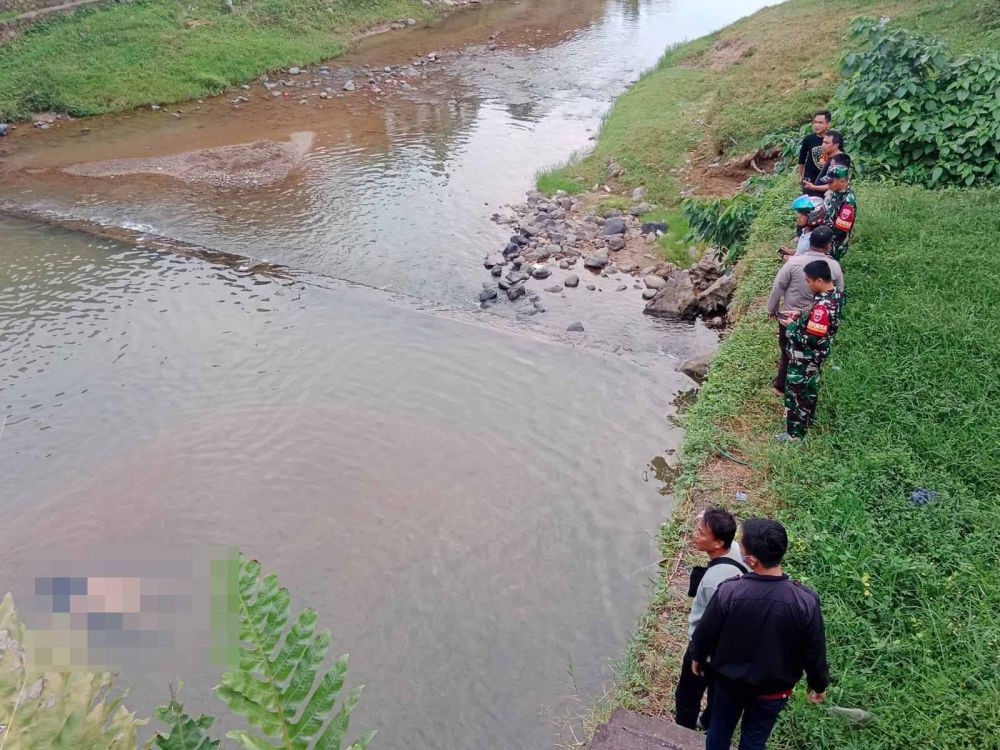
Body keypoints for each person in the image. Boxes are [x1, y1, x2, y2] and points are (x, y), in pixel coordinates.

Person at [689, 518, 829, 750]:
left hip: (729, 683)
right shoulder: (805, 601)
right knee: (755, 740)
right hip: (774, 690)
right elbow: (814, 651)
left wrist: (698, 656)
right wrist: (819, 683)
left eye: (741, 546)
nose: (739, 548)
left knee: (718, 731)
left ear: (751, 561)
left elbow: (706, 632)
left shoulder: (730, 591)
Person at [674, 507, 747, 731]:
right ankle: (706, 722)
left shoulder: (713, 582)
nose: (695, 535)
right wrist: (705, 519)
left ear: (717, 543)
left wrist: (700, 654)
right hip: (733, 649)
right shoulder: (736, 550)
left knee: (688, 693)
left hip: (707, 647)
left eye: (701, 533)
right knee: (718, 690)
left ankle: (683, 732)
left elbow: (715, 624)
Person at [767, 227, 843, 395]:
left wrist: (772, 309)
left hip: (790, 316)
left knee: (788, 351)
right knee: (810, 354)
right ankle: (803, 385)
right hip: (817, 321)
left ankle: (783, 386)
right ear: (829, 245)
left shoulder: (793, 263)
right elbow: (839, 292)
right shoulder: (834, 266)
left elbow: (778, 286)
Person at [775, 259, 844, 441]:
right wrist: (800, 315)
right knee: (808, 390)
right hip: (815, 357)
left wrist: (791, 327)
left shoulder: (823, 308)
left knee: (798, 393)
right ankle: (806, 421)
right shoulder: (834, 296)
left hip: (806, 358)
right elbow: (816, 325)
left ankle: (795, 435)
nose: (807, 283)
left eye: (809, 280)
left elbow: (812, 339)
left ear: (819, 280)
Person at [823, 164, 857, 261]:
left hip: (834, 243)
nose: (828, 185)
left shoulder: (848, 203)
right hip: (826, 236)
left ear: (842, 181)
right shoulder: (836, 192)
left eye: (831, 182)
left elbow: (840, 230)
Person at [798, 111, 832, 196]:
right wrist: (801, 176)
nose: (816, 125)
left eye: (820, 123)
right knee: (808, 206)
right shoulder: (808, 139)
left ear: (828, 124)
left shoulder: (834, 139)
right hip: (810, 180)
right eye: (815, 122)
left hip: (827, 180)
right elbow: (801, 159)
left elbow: (839, 159)